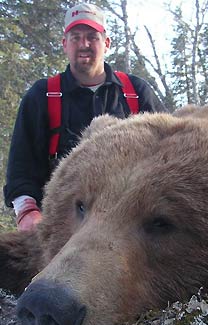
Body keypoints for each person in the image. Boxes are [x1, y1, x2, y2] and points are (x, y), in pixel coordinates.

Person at [4, 3, 166, 232]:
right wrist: (27, 212)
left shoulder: (136, 92)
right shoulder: (42, 95)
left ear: (106, 42)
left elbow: (170, 156)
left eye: (92, 37)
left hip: (131, 229)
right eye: (75, 37)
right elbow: (21, 169)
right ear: (64, 44)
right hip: (61, 229)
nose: (84, 45)